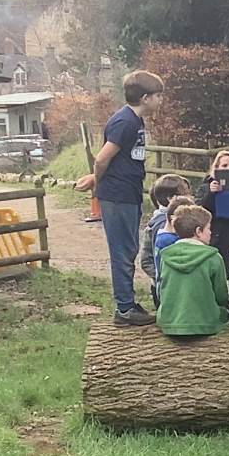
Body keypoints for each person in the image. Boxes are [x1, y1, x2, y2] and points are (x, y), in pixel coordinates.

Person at [76, 70, 163, 327]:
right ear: (145, 98)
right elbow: (102, 158)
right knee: (122, 251)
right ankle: (124, 308)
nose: (161, 101)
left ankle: (128, 302)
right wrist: (98, 181)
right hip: (118, 195)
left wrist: (94, 178)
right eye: (158, 96)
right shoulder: (125, 122)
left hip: (128, 192)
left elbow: (116, 159)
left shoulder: (135, 121)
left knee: (129, 249)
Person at [155, 203, 229, 338]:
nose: (211, 232)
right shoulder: (213, 257)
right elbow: (221, 294)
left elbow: (162, 289)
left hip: (169, 321)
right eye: (208, 228)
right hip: (205, 323)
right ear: (198, 231)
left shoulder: (165, 256)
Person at [140, 173, 188, 305]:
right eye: (185, 193)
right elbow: (146, 259)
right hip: (166, 287)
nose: (190, 197)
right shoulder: (163, 225)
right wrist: (161, 278)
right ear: (171, 199)